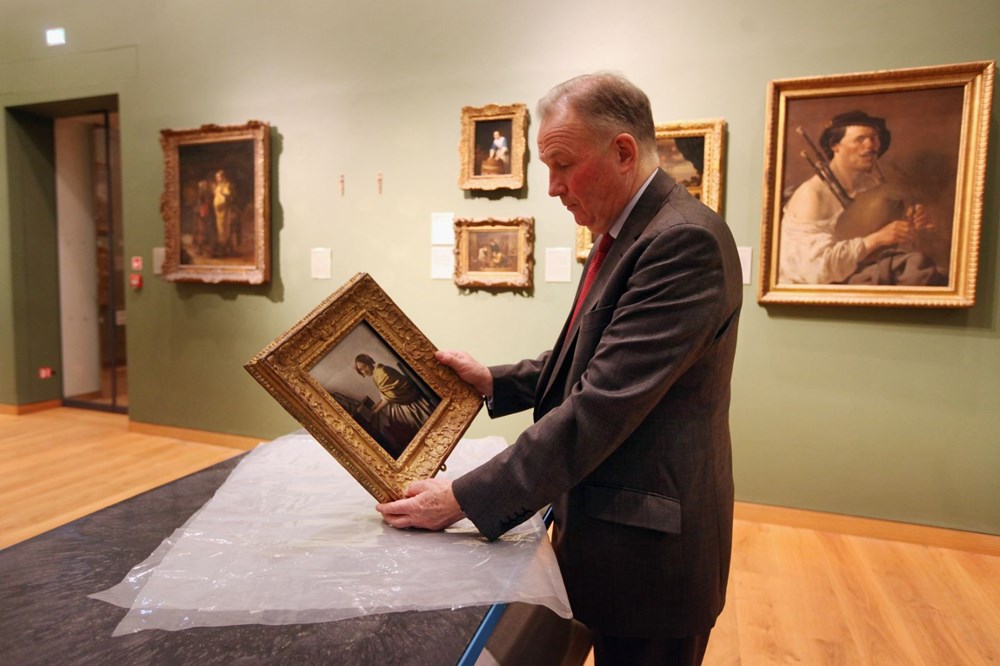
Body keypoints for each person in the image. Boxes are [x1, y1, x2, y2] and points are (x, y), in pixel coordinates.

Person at [376, 72, 743, 665]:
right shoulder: (632, 231)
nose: (552, 189)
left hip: (650, 557)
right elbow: (592, 357)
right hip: (612, 532)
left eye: (563, 166)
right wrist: (496, 381)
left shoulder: (681, 242)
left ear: (623, 152)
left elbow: (601, 406)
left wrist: (460, 499)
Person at [778, 110, 946, 285]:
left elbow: (891, 240)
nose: (871, 145)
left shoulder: (870, 184)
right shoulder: (813, 195)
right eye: (860, 139)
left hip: (866, 271)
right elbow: (814, 270)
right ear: (835, 146)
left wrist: (914, 223)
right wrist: (878, 238)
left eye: (874, 138)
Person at [354, 353, 436, 454]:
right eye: (361, 370)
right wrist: (377, 405)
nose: (364, 371)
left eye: (365, 366)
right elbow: (386, 395)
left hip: (408, 399)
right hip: (400, 399)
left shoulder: (381, 373)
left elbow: (391, 397)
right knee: (392, 420)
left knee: (398, 422)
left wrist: (376, 411)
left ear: (369, 362)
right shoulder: (377, 374)